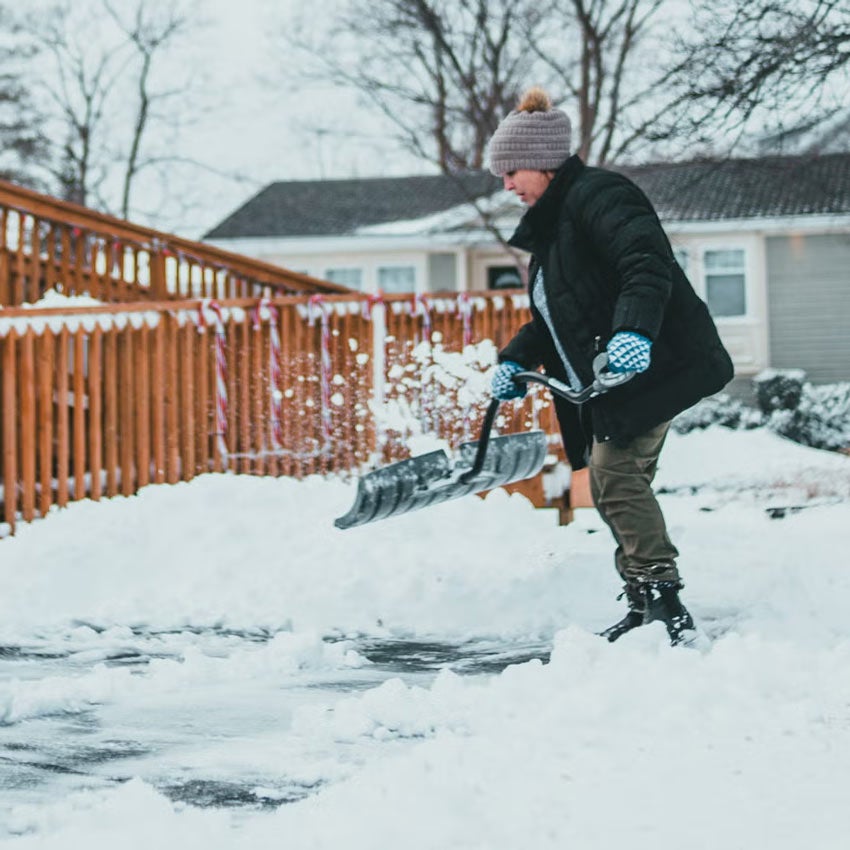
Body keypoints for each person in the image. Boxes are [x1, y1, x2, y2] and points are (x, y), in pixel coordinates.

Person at [487, 87, 733, 646]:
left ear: (545, 163)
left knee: (616, 476)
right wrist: (513, 361)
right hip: (611, 378)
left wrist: (633, 332)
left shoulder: (601, 196)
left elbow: (645, 266)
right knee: (610, 481)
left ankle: (665, 602)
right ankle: (646, 599)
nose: (506, 185)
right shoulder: (553, 234)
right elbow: (554, 320)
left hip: (655, 364)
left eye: (512, 171)